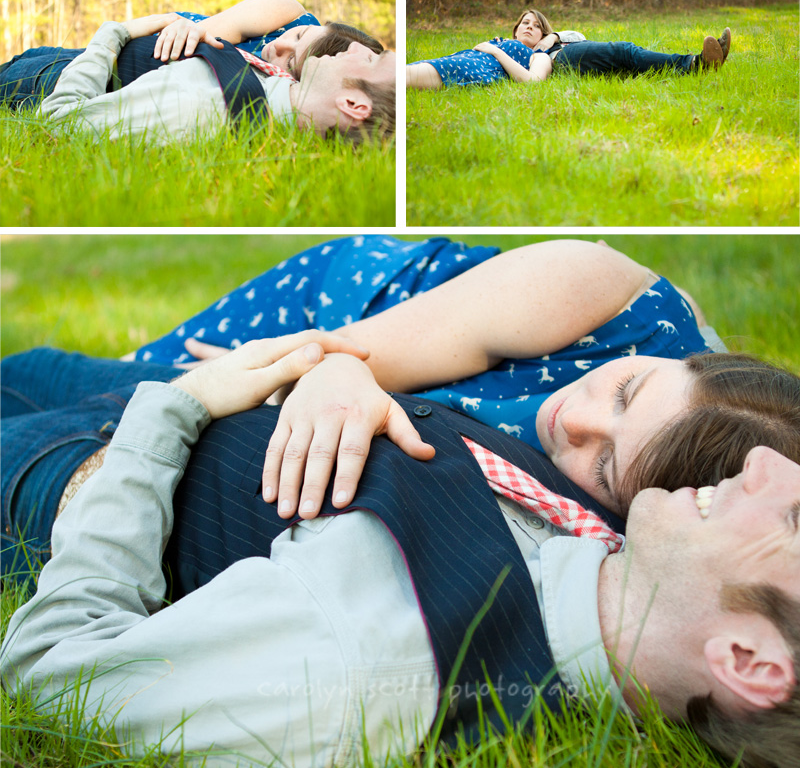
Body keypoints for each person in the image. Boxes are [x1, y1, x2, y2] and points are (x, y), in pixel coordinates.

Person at [1, 338, 797, 768]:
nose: (763, 469)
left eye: (795, 516)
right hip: (158, 391)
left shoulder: (371, 663)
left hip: (79, 475)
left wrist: (165, 419)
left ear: (751, 661)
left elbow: (46, 674)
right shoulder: (622, 540)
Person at [3, 237, 800, 578]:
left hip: (362, 388)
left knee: (104, 408)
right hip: (356, 313)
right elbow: (333, 352)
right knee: (147, 383)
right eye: (626, 392)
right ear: (685, 357)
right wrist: (306, 370)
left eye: (606, 461)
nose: (578, 421)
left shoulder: (638, 527)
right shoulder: (602, 293)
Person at [30, 12, 395, 144]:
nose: (353, 49)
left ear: (352, 104)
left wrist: (117, 32)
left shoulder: (204, 107)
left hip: (54, 75)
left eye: (371, 61)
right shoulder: (278, 84)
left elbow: (60, 121)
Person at [0, 0, 383, 108]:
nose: (279, 45)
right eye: (300, 35)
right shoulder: (289, 15)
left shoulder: (270, 92)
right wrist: (196, 28)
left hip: (80, 78)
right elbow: (201, 31)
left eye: (290, 58)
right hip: (91, 52)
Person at [407, 8, 732, 89]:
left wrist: (553, 37)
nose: (529, 26)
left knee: (628, 57)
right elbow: (532, 81)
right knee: (625, 54)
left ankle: (701, 61)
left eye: (535, 24)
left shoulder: (552, 44)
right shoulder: (525, 51)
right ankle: (696, 64)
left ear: (545, 31)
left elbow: (576, 34)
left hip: (565, 54)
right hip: (564, 61)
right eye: (524, 23)